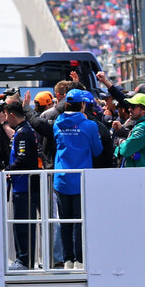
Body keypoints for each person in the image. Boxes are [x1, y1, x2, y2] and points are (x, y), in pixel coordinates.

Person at [52, 89, 102, 268]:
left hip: (61, 179)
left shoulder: (57, 123)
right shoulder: (89, 126)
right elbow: (97, 150)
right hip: (81, 180)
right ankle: (80, 260)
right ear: (82, 105)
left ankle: (67, 260)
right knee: (80, 221)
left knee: (65, 222)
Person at [4, 99, 40, 268]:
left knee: (23, 225)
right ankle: (23, 259)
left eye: (6, 115)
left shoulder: (23, 132)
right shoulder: (22, 131)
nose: (5, 119)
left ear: (11, 115)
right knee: (20, 224)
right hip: (21, 185)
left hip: (24, 186)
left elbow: (23, 158)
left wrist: (8, 170)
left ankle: (24, 260)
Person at [116, 93, 145, 168]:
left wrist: (121, 142)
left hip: (140, 176)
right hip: (138, 175)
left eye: (133, 106)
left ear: (144, 109)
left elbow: (125, 151)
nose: (129, 109)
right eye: (129, 106)